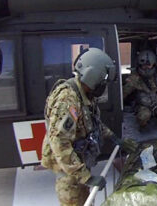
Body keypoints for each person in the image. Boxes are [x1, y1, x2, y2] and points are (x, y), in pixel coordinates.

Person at [41, 48, 138, 206]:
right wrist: (86, 177)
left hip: (78, 163)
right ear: (92, 76)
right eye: (102, 81)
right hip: (67, 169)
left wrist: (113, 138)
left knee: (86, 200)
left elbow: (92, 121)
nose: (103, 86)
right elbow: (59, 142)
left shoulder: (84, 95)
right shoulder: (68, 100)